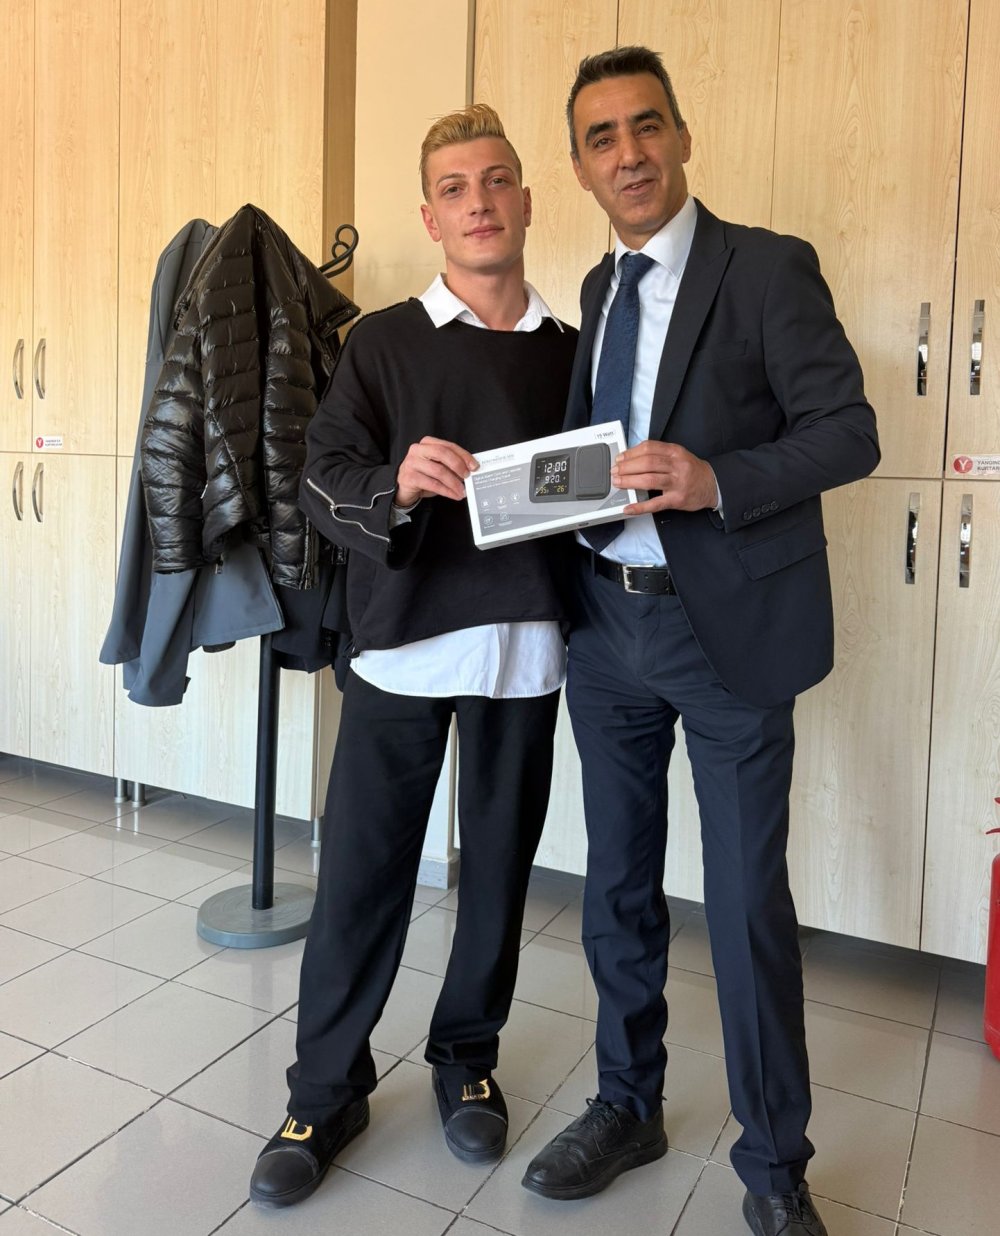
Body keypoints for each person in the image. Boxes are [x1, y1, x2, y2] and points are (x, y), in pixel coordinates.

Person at [519, 47, 879, 1236]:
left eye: (645, 126)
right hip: (604, 627)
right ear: (580, 167)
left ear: (680, 137)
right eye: (601, 138)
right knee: (616, 886)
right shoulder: (595, 289)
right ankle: (628, 1105)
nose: (627, 153)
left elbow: (848, 431)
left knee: (740, 904)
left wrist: (715, 477)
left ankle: (773, 1167)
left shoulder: (766, 268)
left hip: (725, 634)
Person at [248, 103, 577, 1209]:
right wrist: (397, 484)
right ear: (430, 216)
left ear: (526, 198)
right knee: (361, 879)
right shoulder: (382, 342)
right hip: (401, 648)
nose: (479, 202)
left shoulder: (573, 353)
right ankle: (324, 1089)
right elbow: (321, 472)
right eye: (453, 187)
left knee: (497, 875)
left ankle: (465, 1057)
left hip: (525, 650)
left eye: (496, 180)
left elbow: (587, 494)